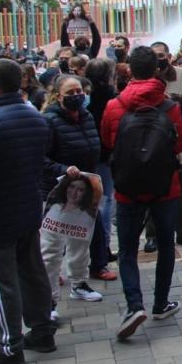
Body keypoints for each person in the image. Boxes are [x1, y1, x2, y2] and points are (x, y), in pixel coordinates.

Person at [0, 59, 57, 364]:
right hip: (26, 210)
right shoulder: (34, 117)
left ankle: (9, 347)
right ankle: (42, 331)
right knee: (32, 272)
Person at [102, 46, 182, 339]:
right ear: (156, 70)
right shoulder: (169, 106)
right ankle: (161, 303)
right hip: (166, 187)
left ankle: (134, 306)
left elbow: (108, 140)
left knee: (127, 249)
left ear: (129, 69)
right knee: (166, 245)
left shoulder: (115, 106)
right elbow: (179, 145)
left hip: (127, 188)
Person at [40, 74, 104, 311]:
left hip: (84, 190)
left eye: (80, 91)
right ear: (58, 96)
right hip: (56, 193)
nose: (78, 96)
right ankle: (49, 301)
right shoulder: (49, 121)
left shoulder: (86, 116)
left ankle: (79, 283)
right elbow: (40, 159)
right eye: (71, 93)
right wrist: (62, 169)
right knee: (51, 248)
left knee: (80, 240)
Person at [143, 42, 182, 251]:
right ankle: (152, 235)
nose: (159, 60)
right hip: (152, 147)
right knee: (152, 192)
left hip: (181, 145)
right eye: (154, 56)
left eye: (161, 55)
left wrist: (175, 102)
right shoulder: (145, 76)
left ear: (168, 55)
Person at [84, 59, 119, 281]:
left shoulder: (85, 97)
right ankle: (102, 250)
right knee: (103, 204)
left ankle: (95, 251)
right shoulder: (110, 98)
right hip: (103, 157)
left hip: (86, 157)